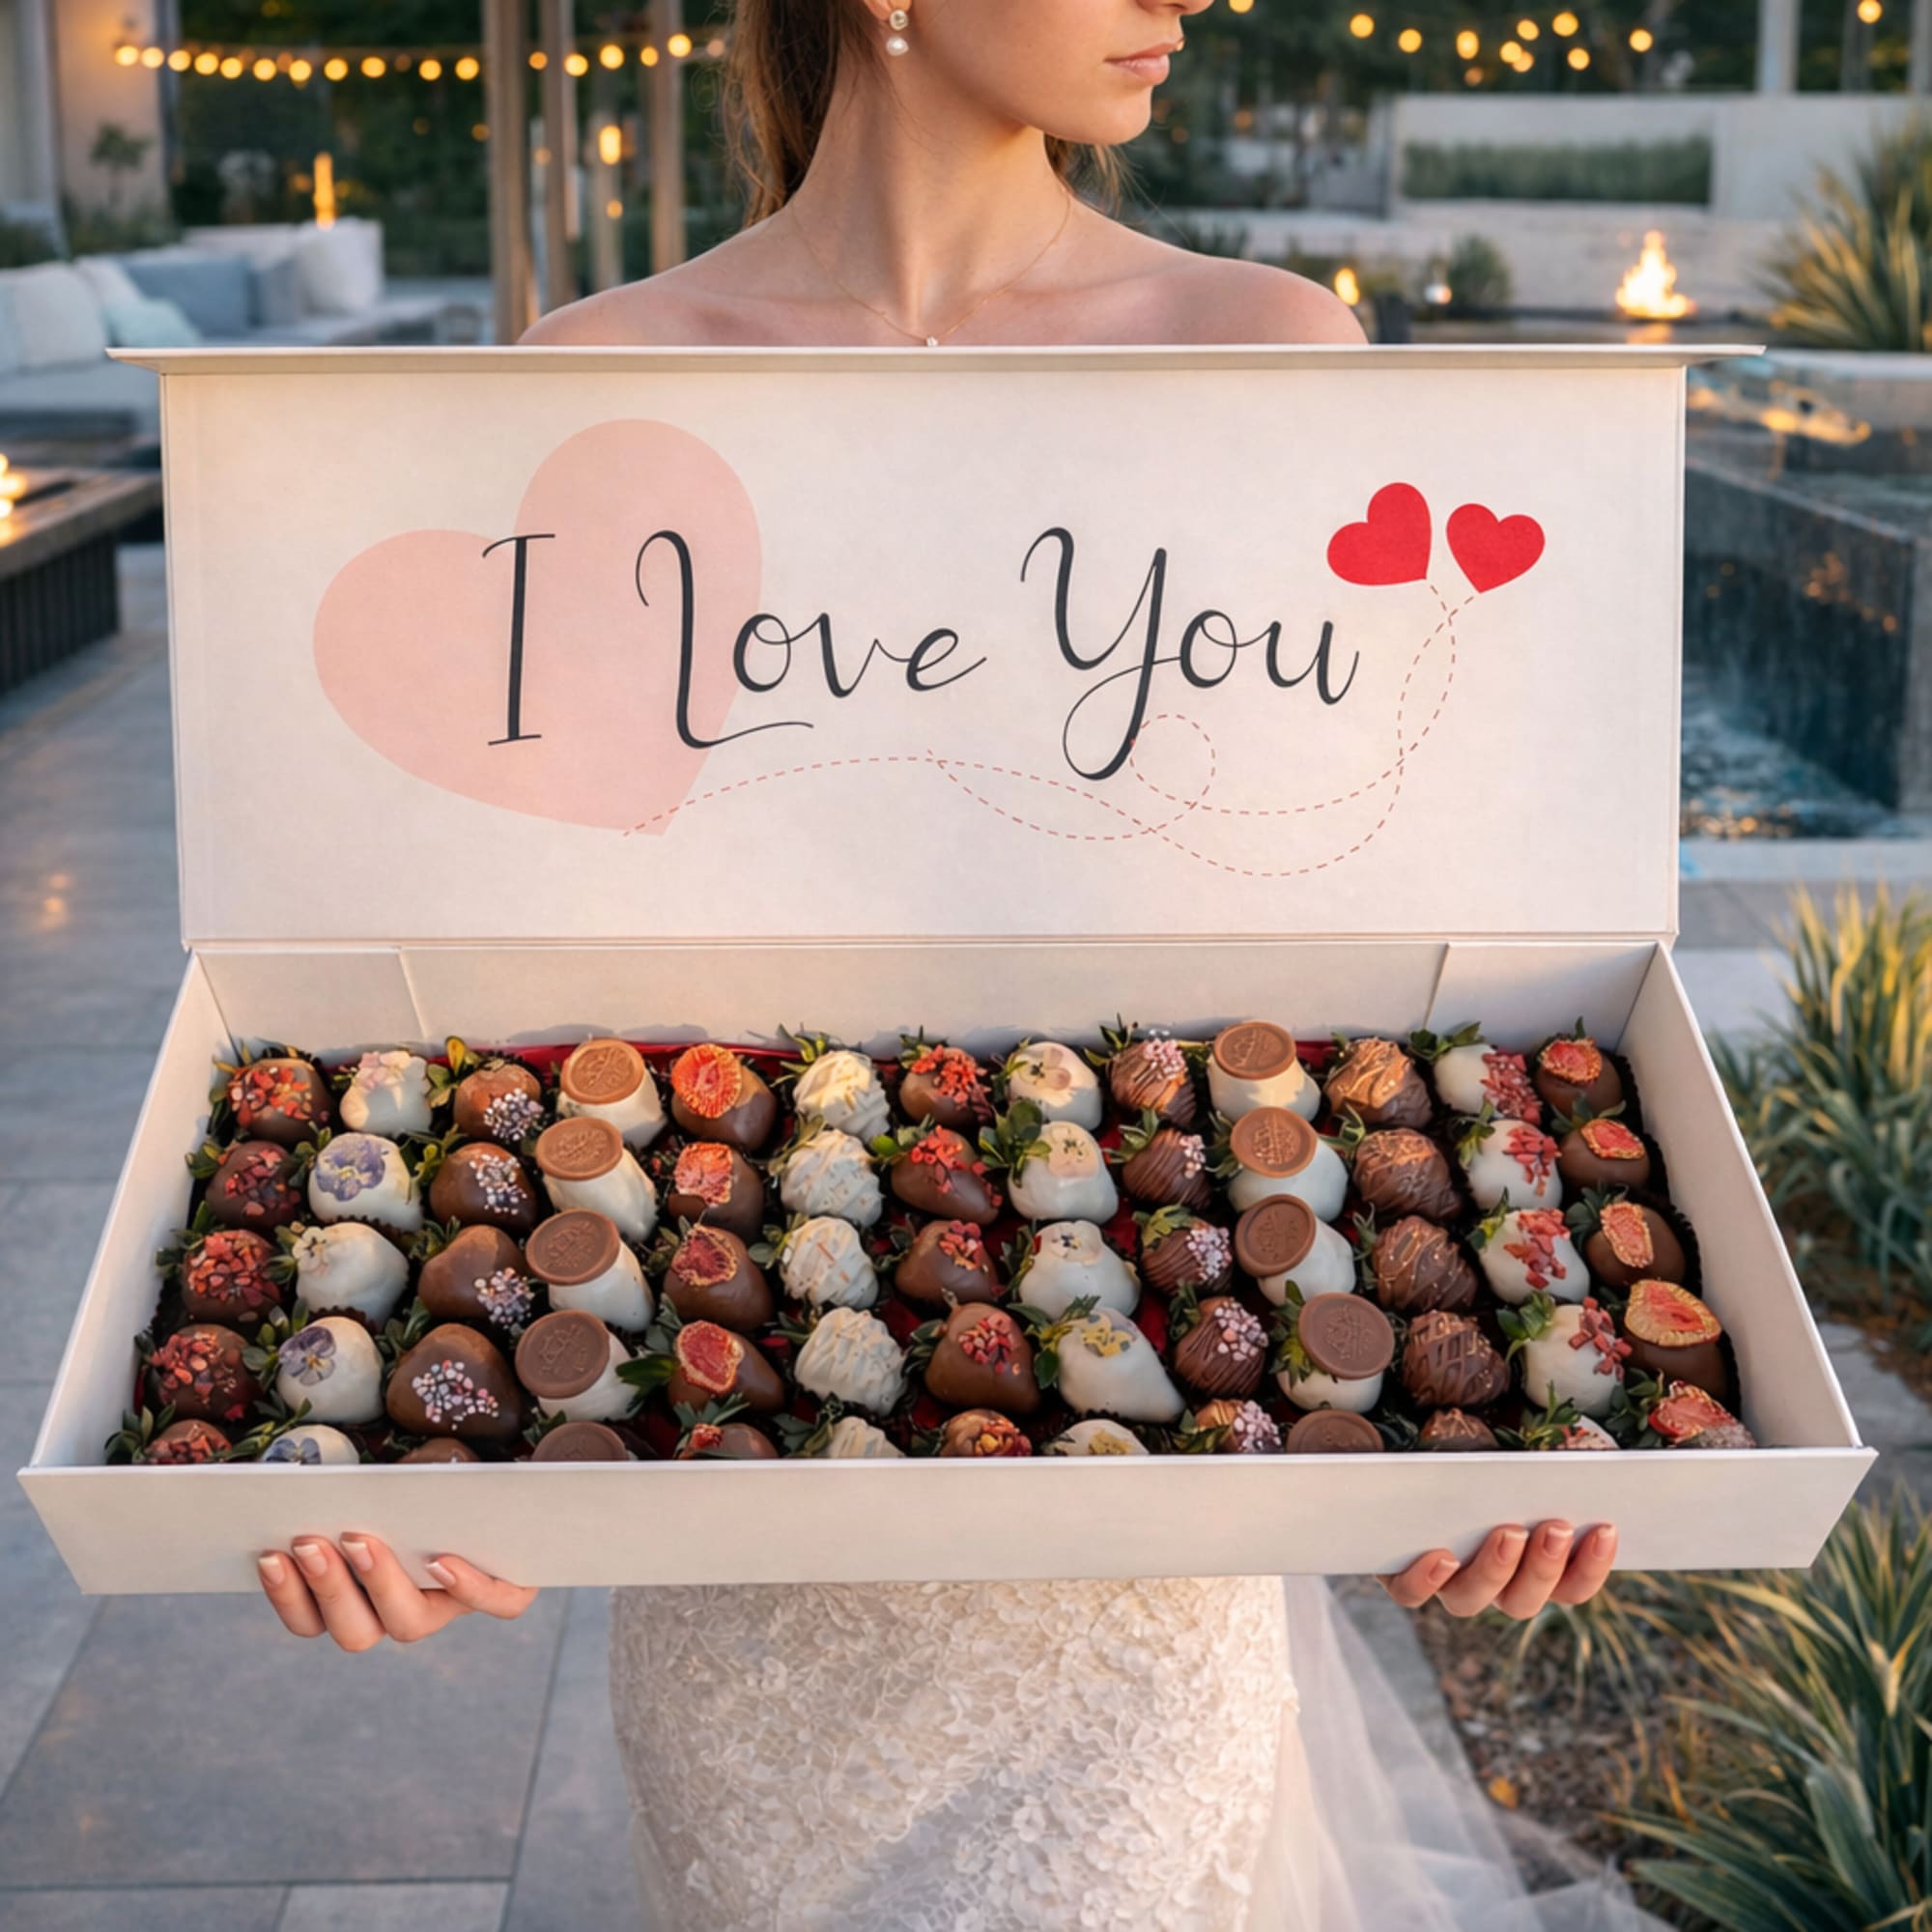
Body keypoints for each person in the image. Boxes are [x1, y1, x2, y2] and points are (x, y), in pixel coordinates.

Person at [258, 2, 1620, 1923]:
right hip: (748, 1547)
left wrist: (1454, 1406)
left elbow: (1362, 939)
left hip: (1136, 1511)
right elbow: (522, 980)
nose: (1176, 6)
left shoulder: (1269, 350)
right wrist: (440, 1456)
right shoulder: (596, 375)